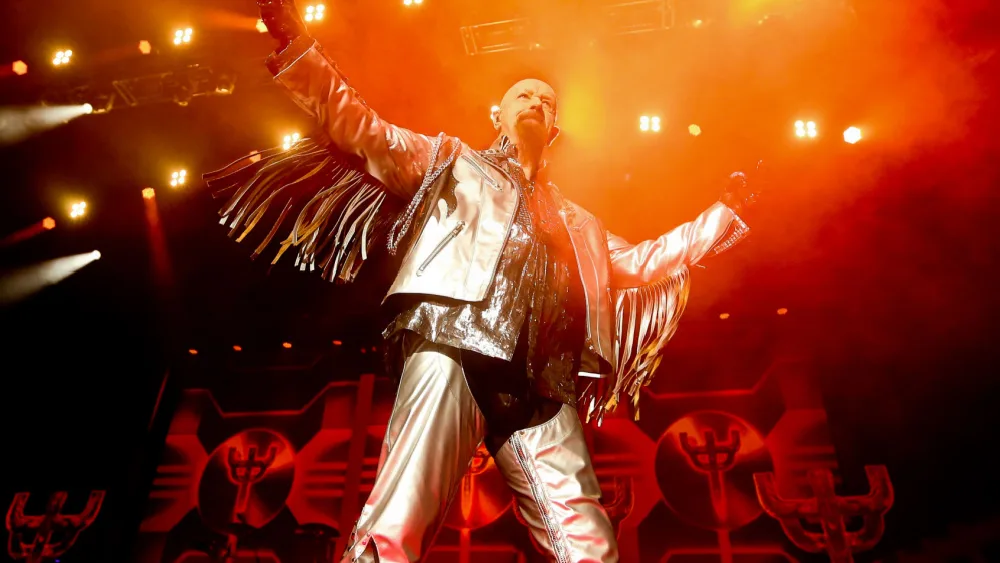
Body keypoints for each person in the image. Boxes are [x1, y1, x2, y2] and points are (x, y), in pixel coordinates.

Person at [205, 1, 759, 561]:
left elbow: (645, 260)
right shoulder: (452, 162)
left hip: (542, 375)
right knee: (403, 508)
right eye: (525, 95)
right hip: (453, 339)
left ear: (558, 127)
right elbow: (362, 128)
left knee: (586, 534)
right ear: (497, 113)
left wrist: (724, 213)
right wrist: (297, 43)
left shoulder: (579, 222)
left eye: (547, 100)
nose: (537, 103)